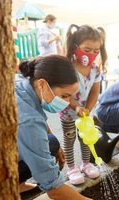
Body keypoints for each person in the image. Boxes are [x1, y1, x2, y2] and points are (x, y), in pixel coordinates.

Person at [16, 55, 91, 200]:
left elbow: (39, 122)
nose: (67, 102)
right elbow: (54, 189)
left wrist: (55, 145)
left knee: (52, 142)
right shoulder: (29, 119)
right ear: (43, 84)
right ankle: (4, 187)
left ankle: (17, 183)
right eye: (64, 96)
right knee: (45, 151)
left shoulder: (23, 82)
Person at [59, 24, 105, 185]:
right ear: (75, 46)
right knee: (70, 138)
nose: (91, 54)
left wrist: (88, 109)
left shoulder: (95, 69)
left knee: (86, 138)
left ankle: (86, 164)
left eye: (96, 50)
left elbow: (95, 90)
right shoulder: (67, 67)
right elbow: (63, 93)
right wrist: (76, 107)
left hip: (85, 113)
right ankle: (72, 168)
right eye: (87, 49)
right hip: (67, 112)